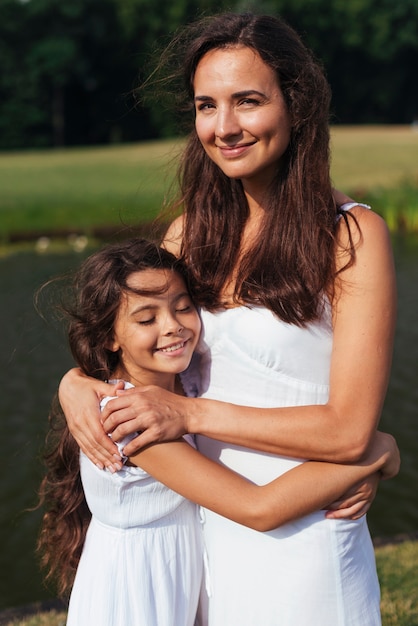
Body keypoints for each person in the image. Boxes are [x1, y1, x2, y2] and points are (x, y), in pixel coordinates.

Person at [58, 12, 398, 626]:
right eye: (205, 106)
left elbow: (349, 431)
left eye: (247, 102)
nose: (224, 127)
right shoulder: (189, 235)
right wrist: (76, 382)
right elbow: (142, 352)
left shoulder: (352, 236)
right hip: (206, 536)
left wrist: (191, 414)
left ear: (296, 105)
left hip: (307, 534)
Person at [37, 238, 397, 626]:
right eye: (146, 319)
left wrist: (71, 380)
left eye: (183, 308)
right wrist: (374, 453)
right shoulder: (128, 421)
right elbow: (258, 508)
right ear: (109, 336)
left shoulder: (184, 385)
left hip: (177, 584)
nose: (172, 327)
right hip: (133, 598)